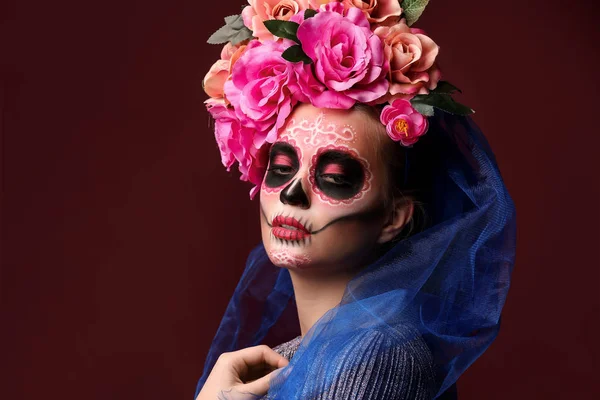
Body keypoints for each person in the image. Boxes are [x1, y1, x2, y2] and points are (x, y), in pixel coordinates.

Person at [195, 1, 516, 399]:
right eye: (280, 168)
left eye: (335, 178)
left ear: (395, 217)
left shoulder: (379, 355)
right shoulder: (301, 359)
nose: (294, 193)